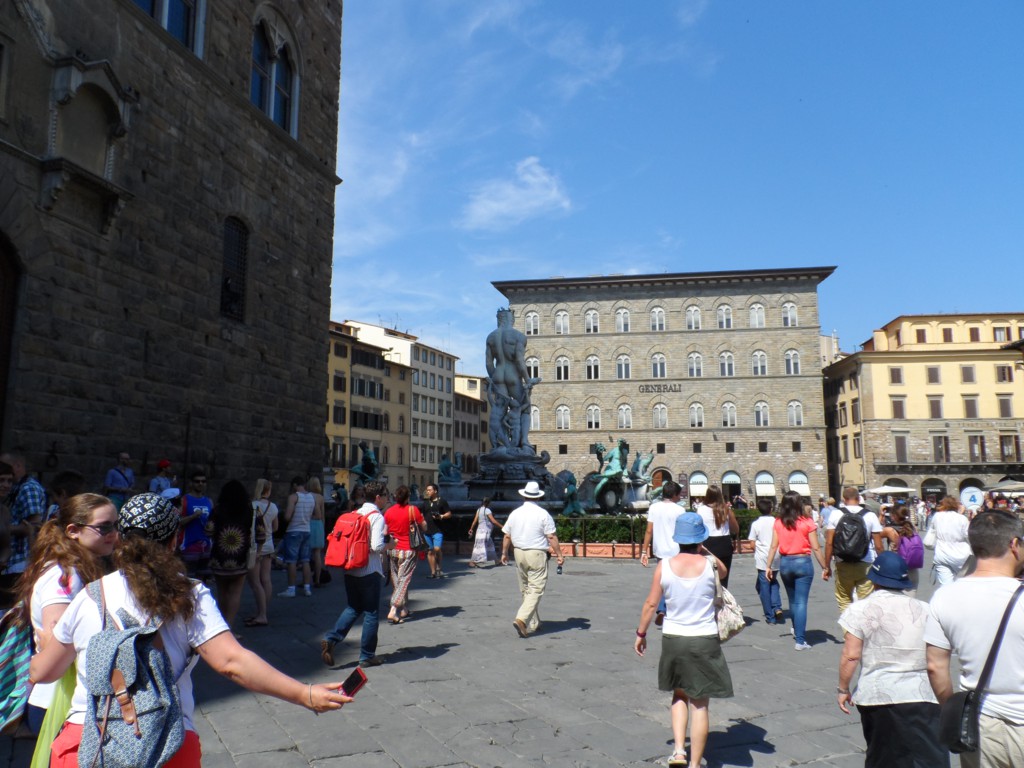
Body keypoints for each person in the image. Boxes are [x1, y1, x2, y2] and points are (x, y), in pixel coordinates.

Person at [29, 493, 352, 767]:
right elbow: (231, 662)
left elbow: (42, 673)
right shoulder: (189, 595)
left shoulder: (88, 595)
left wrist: (44, 642)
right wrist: (303, 694)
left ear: (122, 538)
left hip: (86, 742)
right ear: (175, 539)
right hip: (164, 744)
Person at [925, 511, 1024, 768]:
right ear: (1014, 544)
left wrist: (952, 708)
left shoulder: (944, 597)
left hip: (980, 726)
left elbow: (935, 667)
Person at [634, 513, 733, 767]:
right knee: (700, 704)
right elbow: (724, 571)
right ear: (700, 540)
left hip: (674, 637)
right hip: (704, 637)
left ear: (677, 539)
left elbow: (651, 604)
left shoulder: (664, 566)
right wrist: (705, 548)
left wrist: (641, 634)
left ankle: (679, 751)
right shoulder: (710, 565)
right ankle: (695, 763)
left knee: (679, 694)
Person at [17, 494, 116, 737]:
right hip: (59, 698)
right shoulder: (65, 575)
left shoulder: (76, 567)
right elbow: (55, 641)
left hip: (65, 694)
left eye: (116, 525)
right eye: (104, 527)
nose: (114, 533)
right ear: (73, 531)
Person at [835, 551, 946, 768]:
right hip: (923, 694)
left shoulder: (859, 610)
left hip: (879, 694)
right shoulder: (926, 610)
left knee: (883, 758)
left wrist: (843, 689)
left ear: (874, 580)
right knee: (927, 759)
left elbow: (851, 655)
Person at [321, 480, 389, 669]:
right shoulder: (376, 516)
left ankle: (331, 638)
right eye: (385, 496)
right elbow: (376, 546)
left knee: (353, 607)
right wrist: (390, 545)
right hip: (369, 570)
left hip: (350, 568)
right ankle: (367, 655)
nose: (386, 500)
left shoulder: (355, 513)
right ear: (377, 497)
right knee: (371, 613)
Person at [500, 481, 564, 638]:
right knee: (536, 588)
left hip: (519, 553)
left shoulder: (515, 513)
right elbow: (551, 536)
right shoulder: (543, 514)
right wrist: (559, 554)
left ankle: (534, 622)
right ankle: (522, 619)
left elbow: (507, 535)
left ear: (523, 496)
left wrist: (504, 553)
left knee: (526, 589)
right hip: (536, 553)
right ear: (539, 498)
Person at [765, 491, 827, 650]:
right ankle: (800, 640)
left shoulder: (779, 522)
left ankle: (795, 627)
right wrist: (825, 567)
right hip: (803, 562)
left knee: (792, 600)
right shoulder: (807, 522)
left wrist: (768, 566)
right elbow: (816, 548)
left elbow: (773, 546)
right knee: (800, 602)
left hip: (786, 563)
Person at [822, 486, 884, 613]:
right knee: (865, 602)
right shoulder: (870, 515)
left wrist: (826, 566)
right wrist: (882, 566)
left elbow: (829, 543)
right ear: (858, 498)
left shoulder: (835, 514)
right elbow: (879, 546)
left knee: (844, 600)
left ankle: (848, 631)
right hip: (865, 562)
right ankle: (863, 630)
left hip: (842, 563)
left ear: (844, 499)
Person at [207, 479, 253, 627]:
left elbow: (208, 530)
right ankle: (230, 626)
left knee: (222, 593)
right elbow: (260, 534)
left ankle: (221, 628)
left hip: (219, 557)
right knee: (235, 593)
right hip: (240, 558)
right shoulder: (248, 510)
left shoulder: (218, 510)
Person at [640, 480, 686, 625]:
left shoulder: (654, 508)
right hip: (676, 550)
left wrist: (644, 551)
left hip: (660, 550)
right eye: (679, 495)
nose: (680, 497)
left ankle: (662, 609)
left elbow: (649, 530)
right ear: (674, 495)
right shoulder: (680, 510)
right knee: (676, 581)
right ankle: (667, 608)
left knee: (663, 580)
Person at [382, 486, 427, 624]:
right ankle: (394, 609)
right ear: (408, 497)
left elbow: (385, 533)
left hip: (393, 549)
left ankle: (404, 608)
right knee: (403, 579)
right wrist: (423, 520)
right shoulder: (413, 510)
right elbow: (424, 527)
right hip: (409, 549)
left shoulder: (388, 512)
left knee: (397, 579)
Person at [1, 451, 47, 582]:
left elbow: (34, 525)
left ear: (17, 465)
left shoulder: (29, 488)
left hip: (18, 561)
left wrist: (5, 528)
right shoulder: (16, 488)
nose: (6, 484)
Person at [245, 478, 279, 628]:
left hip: (254, 545)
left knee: (255, 582)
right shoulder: (273, 507)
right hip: (269, 544)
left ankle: (261, 614)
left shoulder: (252, 506)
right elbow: (276, 527)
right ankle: (263, 610)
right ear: (268, 490)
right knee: (266, 579)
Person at [747, 497, 784, 625]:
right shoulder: (777, 522)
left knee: (764, 586)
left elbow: (752, 544)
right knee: (773, 581)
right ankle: (777, 607)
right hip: (776, 555)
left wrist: (757, 547)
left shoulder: (756, 524)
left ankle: (770, 615)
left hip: (762, 558)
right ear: (771, 509)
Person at [694, 485, 738, 588]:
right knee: (723, 577)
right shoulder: (725, 509)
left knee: (708, 577)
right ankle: (723, 600)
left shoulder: (700, 510)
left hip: (708, 543)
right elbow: (735, 529)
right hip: (724, 543)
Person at [279, 476, 314, 597]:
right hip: (306, 530)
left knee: (291, 561)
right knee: (305, 560)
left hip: (293, 530)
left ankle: (291, 589)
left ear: (295, 485)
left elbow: (288, 516)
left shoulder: (293, 497)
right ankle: (307, 588)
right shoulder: (312, 497)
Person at [928, 495, 971, 587]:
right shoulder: (962, 518)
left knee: (945, 586)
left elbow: (932, 531)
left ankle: (949, 599)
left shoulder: (937, 516)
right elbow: (968, 536)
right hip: (960, 554)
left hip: (941, 554)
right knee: (965, 583)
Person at [179, 470, 214, 580]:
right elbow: (178, 522)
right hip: (189, 545)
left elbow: (213, 522)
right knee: (188, 580)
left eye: (203, 481)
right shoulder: (184, 500)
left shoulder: (209, 501)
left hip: (206, 546)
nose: (200, 484)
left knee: (202, 581)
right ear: (191, 483)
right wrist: (193, 516)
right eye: (197, 481)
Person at [880, 505, 923, 590]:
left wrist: (881, 515)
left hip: (896, 567)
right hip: (912, 568)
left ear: (894, 516)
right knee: (910, 599)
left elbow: (875, 533)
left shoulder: (889, 530)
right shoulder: (913, 528)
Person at [420, 483, 451, 579]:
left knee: (437, 549)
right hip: (427, 530)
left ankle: (439, 567)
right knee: (430, 551)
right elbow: (422, 514)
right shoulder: (425, 503)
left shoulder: (442, 501)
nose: (427, 492)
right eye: (427, 490)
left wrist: (441, 516)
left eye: (429, 490)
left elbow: (449, 513)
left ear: (435, 491)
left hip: (438, 529)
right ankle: (433, 572)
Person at [467, 497, 502, 567]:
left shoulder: (479, 510)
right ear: (488, 503)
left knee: (489, 546)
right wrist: (502, 526)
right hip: (485, 532)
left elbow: (474, 521)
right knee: (480, 546)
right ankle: (472, 561)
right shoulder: (487, 510)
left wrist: (471, 528)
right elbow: (493, 521)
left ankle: (496, 560)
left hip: (479, 531)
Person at [306, 477, 327, 587]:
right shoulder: (320, 497)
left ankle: (306, 581)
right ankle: (317, 579)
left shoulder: (308, 496)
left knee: (306, 555)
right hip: (319, 525)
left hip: (310, 523)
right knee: (318, 554)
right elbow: (322, 515)